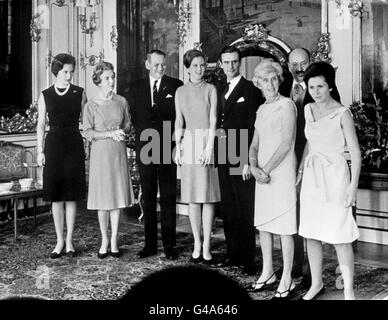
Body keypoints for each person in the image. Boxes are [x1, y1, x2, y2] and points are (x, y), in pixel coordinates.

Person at [296, 62, 361, 300]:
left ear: (330, 86)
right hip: (313, 177)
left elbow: (355, 153)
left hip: (336, 177)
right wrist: (301, 171)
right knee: (311, 234)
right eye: (311, 87)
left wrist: (352, 187)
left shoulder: (342, 113)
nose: (315, 91)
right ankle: (316, 284)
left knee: (339, 235)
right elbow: (310, 144)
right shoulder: (307, 109)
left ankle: (349, 291)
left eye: (320, 86)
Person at [279, 48, 341, 285]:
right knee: (291, 214)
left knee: (312, 216)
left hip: (313, 161)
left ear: (310, 63)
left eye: (303, 62)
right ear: (288, 65)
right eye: (294, 63)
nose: (299, 67)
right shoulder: (282, 87)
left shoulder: (321, 90)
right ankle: (293, 267)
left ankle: (311, 272)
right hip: (285, 160)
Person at [245, 60, 297, 299]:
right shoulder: (262, 108)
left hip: (282, 170)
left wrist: (264, 169)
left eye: (273, 78)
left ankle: (287, 275)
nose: (270, 84)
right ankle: (268, 271)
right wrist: (254, 166)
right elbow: (254, 144)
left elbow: (286, 144)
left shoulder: (287, 105)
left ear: (279, 80)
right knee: (264, 223)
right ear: (258, 84)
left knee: (285, 226)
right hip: (263, 172)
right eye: (264, 80)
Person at [128, 50, 183, 261]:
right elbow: (133, 118)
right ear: (147, 64)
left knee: (168, 197)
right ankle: (149, 244)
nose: (160, 68)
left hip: (168, 148)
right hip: (145, 148)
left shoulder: (176, 86)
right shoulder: (136, 88)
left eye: (163, 65)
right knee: (148, 197)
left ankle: (170, 246)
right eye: (156, 64)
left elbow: (180, 117)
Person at [215, 46, 264, 275]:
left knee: (245, 208)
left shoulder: (251, 89)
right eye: (226, 62)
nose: (230, 66)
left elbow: (254, 127)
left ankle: (248, 259)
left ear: (240, 62)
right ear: (221, 64)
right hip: (223, 155)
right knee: (228, 207)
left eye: (234, 62)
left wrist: (247, 160)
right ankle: (232, 253)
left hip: (241, 156)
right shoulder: (219, 89)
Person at [37, 53, 87, 259]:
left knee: (71, 194)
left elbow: (88, 121)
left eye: (71, 72)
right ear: (57, 71)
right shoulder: (45, 94)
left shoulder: (79, 93)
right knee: (57, 196)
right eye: (66, 71)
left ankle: (69, 241)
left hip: (74, 144)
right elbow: (40, 124)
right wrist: (39, 151)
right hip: (54, 146)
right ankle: (59, 240)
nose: (69, 75)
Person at [83, 61, 133, 258]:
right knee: (103, 199)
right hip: (100, 154)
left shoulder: (121, 101)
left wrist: (122, 132)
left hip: (118, 152)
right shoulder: (90, 105)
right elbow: (87, 132)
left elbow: (128, 124)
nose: (111, 81)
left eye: (112, 77)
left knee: (116, 198)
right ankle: (104, 239)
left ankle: (114, 241)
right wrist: (109, 135)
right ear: (98, 81)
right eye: (107, 78)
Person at [174, 49, 220, 264]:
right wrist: (178, 147)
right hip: (189, 143)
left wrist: (209, 147)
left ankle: (208, 246)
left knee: (208, 197)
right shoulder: (180, 92)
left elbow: (213, 121)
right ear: (188, 68)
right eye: (195, 66)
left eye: (202, 65)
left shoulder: (211, 89)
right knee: (193, 197)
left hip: (207, 143)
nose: (200, 69)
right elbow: (179, 122)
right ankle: (196, 243)